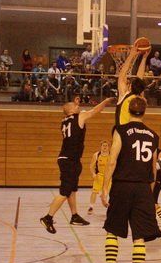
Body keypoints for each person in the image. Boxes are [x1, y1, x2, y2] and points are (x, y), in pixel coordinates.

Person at [95, 97, 161, 263]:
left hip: (122, 186)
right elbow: (153, 167)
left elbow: (112, 160)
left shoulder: (121, 130)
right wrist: (149, 191)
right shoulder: (153, 135)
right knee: (139, 237)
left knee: (112, 231)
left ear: (128, 110)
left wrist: (104, 188)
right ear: (145, 111)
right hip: (143, 188)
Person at [40, 97, 115, 233]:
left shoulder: (65, 121)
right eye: (75, 106)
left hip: (70, 159)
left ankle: (74, 216)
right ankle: (48, 217)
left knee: (72, 190)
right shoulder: (79, 117)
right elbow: (95, 110)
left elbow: (73, 113)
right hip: (69, 160)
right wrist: (106, 101)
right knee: (65, 192)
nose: (78, 107)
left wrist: (76, 104)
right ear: (71, 110)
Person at [88, 141, 110, 214]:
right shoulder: (96, 155)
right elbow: (91, 166)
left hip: (108, 177)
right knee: (94, 191)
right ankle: (91, 207)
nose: (105, 147)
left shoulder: (111, 155)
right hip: (99, 176)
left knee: (107, 192)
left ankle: (106, 203)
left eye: (106, 145)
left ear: (108, 147)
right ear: (101, 146)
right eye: (103, 145)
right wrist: (93, 174)